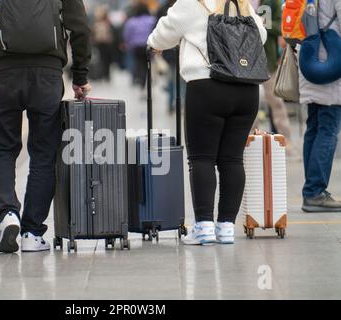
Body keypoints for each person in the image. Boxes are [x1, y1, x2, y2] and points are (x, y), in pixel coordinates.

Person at [0, 0, 91, 253]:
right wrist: (80, 76)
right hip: (47, 77)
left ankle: (7, 214)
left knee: (3, 149)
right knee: (43, 155)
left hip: (5, 76)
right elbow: (80, 28)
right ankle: (32, 232)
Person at [147, 0, 267, 245]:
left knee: (202, 158)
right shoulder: (241, 3)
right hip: (247, 89)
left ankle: (204, 227)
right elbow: (261, 35)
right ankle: (226, 228)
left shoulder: (193, 2)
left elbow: (162, 35)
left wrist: (153, 43)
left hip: (207, 86)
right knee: (232, 159)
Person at [300, 0, 341, 213]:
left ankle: (311, 191)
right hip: (331, 69)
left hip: (309, 58)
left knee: (314, 127)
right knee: (328, 129)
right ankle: (315, 192)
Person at [254, 0, 299, 158]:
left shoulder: (271, 1)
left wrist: (263, 23)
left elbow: (281, 26)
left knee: (276, 103)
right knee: (249, 105)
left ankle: (286, 143)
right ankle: (252, 143)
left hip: (268, 60)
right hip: (246, 61)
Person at [123, 3, 156, 88]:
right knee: (148, 64)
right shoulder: (152, 20)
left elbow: (127, 35)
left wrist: (128, 43)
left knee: (139, 64)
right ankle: (148, 82)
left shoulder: (131, 22)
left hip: (136, 47)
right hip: (148, 46)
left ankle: (141, 82)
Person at [92, 6, 115, 82]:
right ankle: (105, 75)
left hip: (100, 44)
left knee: (101, 60)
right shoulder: (107, 23)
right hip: (105, 44)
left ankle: (102, 75)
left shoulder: (96, 23)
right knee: (105, 60)